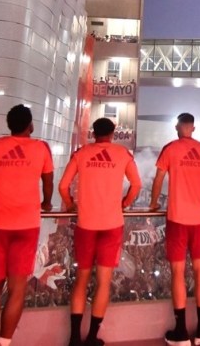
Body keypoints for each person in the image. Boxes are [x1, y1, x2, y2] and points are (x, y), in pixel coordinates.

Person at [0, 105, 54, 346]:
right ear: (30, 125)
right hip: (27, 228)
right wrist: (46, 203)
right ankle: (3, 342)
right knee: (17, 289)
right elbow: (48, 181)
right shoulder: (41, 148)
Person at [59, 118, 142, 346]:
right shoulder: (122, 154)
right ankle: (92, 337)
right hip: (112, 225)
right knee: (103, 282)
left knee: (81, 280)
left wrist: (70, 204)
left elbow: (63, 186)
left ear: (93, 133)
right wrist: (124, 203)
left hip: (86, 224)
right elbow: (137, 185)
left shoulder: (81, 154)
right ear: (113, 133)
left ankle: (74, 337)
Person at [148, 113, 200, 346]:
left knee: (178, 272)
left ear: (178, 127)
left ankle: (180, 331)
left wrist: (154, 203)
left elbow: (158, 179)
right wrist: (198, 196)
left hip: (177, 218)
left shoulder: (171, 149)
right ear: (193, 128)